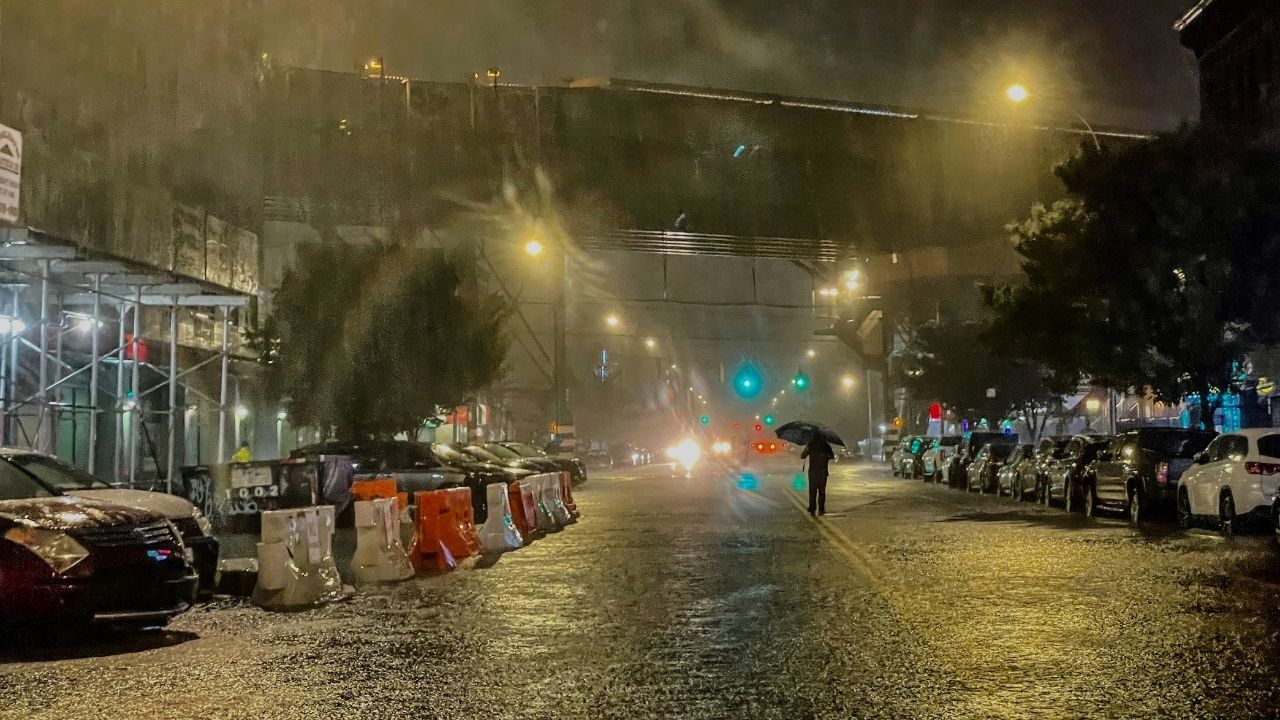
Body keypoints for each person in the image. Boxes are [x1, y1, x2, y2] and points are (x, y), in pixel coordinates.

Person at [800, 437, 834, 515]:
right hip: (823, 471)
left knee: (812, 491)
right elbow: (832, 456)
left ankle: (812, 508)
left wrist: (808, 450)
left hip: (813, 472)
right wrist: (825, 456)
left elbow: (802, 456)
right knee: (822, 491)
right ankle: (821, 509)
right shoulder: (826, 445)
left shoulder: (810, 445)